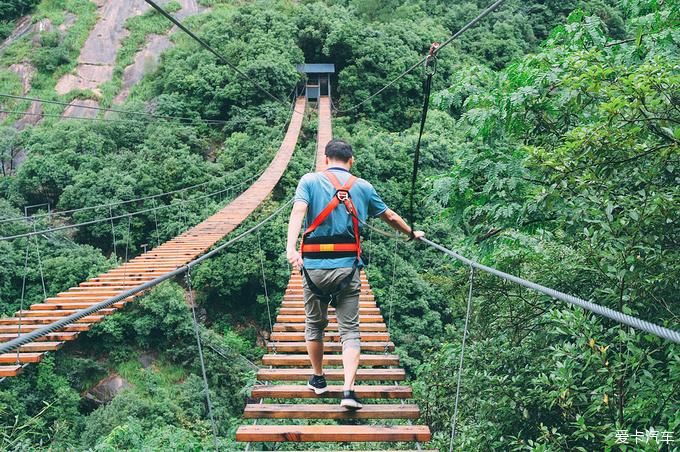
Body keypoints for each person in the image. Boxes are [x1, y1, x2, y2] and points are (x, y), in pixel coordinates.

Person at [286, 139, 424, 410]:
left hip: (313, 270)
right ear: (352, 160)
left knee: (315, 326)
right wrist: (411, 234)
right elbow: (391, 216)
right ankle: (348, 391)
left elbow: (298, 211)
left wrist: (291, 248)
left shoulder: (309, 181)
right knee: (350, 331)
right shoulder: (363, 187)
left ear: (325, 159)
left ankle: (318, 378)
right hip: (347, 270)